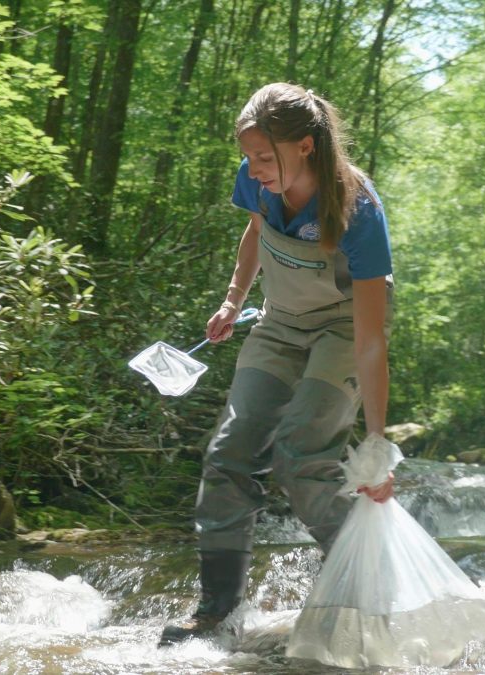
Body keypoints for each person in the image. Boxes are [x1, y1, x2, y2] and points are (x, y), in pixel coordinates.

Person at [159, 82, 395, 646]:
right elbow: (255, 231)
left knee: (300, 455)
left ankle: (360, 590)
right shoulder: (256, 183)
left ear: (306, 145)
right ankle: (217, 611)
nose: (254, 168)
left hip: (342, 328)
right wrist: (233, 298)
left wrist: (378, 444)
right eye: (248, 156)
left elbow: (369, 340)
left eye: (265, 157)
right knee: (229, 454)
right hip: (280, 323)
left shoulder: (359, 211)